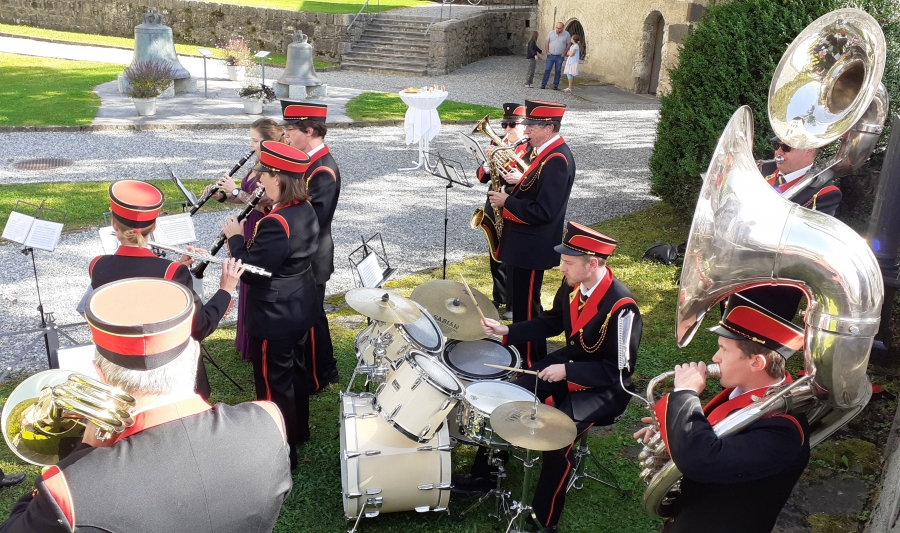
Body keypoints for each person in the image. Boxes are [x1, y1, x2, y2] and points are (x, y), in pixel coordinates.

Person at [0, 277, 291, 533]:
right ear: (195, 354)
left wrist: (83, 453)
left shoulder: (67, 492)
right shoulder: (268, 423)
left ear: (101, 375)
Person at [456, 222, 642, 533]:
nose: (561, 268)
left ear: (592, 264)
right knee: (509, 398)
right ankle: (483, 476)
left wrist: (568, 371)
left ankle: (544, 522)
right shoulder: (572, 285)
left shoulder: (623, 308)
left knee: (557, 441)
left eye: (568, 262)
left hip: (604, 388)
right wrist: (506, 330)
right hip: (569, 363)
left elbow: (618, 371)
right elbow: (551, 322)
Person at [634, 293, 810, 533]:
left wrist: (685, 393)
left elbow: (700, 459)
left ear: (757, 363)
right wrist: (671, 428)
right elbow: (711, 434)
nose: (715, 357)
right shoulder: (743, 395)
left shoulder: (781, 431)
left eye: (723, 349)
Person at [88, 180, 240, 399]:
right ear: (154, 227)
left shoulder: (96, 266)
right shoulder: (172, 273)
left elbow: (135, 287)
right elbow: (200, 328)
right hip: (164, 375)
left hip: (119, 371)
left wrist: (174, 270)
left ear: (114, 224)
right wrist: (225, 289)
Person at [222, 140, 319, 470]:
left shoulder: (276, 223)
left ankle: (281, 454)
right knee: (296, 374)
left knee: (273, 386)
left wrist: (235, 238)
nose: (259, 180)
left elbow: (252, 272)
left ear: (278, 177)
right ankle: (299, 430)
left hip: (273, 316)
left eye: (264, 175)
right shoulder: (303, 209)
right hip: (299, 305)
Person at [487, 100, 575, 368]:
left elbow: (545, 211)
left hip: (532, 247)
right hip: (524, 245)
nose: (525, 131)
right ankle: (523, 355)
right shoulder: (546, 153)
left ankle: (529, 361)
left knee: (526, 309)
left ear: (549, 128)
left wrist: (507, 202)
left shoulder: (557, 159)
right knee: (523, 307)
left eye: (532, 127)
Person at [742, 136, 842, 321]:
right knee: (729, 329)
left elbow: (809, 243)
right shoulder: (762, 172)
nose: (778, 152)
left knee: (761, 332)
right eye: (776, 145)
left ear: (809, 150)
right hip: (741, 271)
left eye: (786, 147)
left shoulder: (824, 192)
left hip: (775, 283)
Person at [205, 118, 280, 360]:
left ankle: (254, 343)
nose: (251, 144)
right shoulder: (256, 163)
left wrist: (235, 189)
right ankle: (245, 341)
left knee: (249, 275)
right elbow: (246, 197)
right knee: (243, 280)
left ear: (268, 143)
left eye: (255, 140)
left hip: (260, 227)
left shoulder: (273, 168)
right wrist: (222, 196)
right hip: (248, 225)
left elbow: (264, 202)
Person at [280, 100, 342, 393]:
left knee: (312, 318)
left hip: (312, 255)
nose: (286, 135)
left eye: (291, 130)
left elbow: (313, 220)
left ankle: (319, 376)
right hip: (307, 252)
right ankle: (324, 369)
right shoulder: (309, 162)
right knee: (312, 316)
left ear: (309, 130)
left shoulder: (323, 170)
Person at [475, 102, 529, 318]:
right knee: (495, 249)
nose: (507, 129)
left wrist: (521, 177)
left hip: (515, 201)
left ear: (524, 125)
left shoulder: (531, 148)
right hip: (494, 200)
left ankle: (514, 303)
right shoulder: (497, 143)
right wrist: (487, 163)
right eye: (504, 124)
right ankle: (499, 295)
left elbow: (537, 177)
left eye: (512, 125)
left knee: (513, 252)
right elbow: (481, 177)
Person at [541, 22, 571, 90]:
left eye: (559, 28)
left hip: (559, 56)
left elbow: (568, 44)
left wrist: (564, 53)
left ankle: (555, 85)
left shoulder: (566, 34)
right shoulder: (551, 33)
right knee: (547, 69)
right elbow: (547, 42)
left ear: (562, 28)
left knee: (558, 71)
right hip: (550, 55)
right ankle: (543, 84)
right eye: (557, 28)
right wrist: (547, 51)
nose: (558, 29)